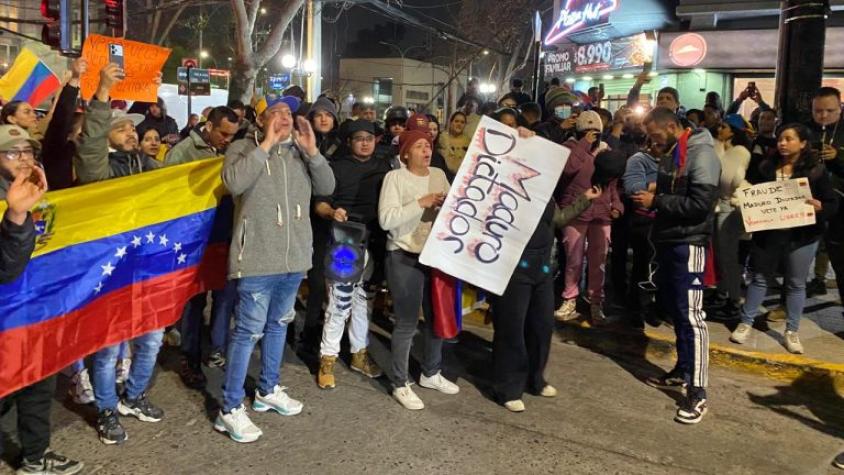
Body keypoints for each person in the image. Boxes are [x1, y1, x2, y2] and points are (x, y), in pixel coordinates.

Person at [215, 94, 334, 443]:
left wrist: (312, 151)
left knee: (279, 325)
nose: (285, 117)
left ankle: (267, 389)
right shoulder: (242, 147)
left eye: (290, 112)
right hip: (256, 259)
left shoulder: (299, 153)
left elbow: (327, 188)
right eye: (277, 112)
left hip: (294, 258)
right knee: (247, 331)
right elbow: (233, 183)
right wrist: (266, 142)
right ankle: (230, 407)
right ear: (261, 118)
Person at [74, 63, 166, 445]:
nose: (133, 131)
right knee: (109, 349)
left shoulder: (144, 163)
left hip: (145, 266)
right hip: (111, 270)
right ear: (106, 136)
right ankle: (107, 408)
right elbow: (90, 142)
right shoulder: (96, 169)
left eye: (133, 127)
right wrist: (101, 93)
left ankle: (135, 395)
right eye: (123, 127)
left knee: (152, 338)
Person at [490, 127, 602, 412]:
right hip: (514, 267)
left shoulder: (544, 192)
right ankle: (507, 387)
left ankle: (534, 379)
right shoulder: (506, 185)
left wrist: (585, 199)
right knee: (511, 329)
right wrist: (519, 138)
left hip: (541, 268)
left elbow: (559, 219)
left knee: (541, 326)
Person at [0, 125, 84, 474]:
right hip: (6, 315)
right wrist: (16, 215)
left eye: (28, 151)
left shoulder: (43, 190)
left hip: (34, 309)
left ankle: (35, 457)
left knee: (38, 380)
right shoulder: (15, 201)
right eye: (12, 152)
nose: (23, 159)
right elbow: (5, 268)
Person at [631, 107, 721, 425]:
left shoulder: (701, 154)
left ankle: (698, 393)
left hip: (689, 243)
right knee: (677, 313)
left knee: (691, 317)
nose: (652, 142)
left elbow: (700, 205)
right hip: (671, 241)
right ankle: (683, 370)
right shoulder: (674, 152)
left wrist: (656, 202)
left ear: (671, 126)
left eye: (655, 135)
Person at [730, 124, 838, 354]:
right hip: (768, 234)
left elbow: (831, 203)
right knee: (759, 278)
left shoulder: (815, 171)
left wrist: (821, 207)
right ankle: (745, 322)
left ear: (803, 143)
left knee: (796, 284)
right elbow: (748, 189)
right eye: (780, 138)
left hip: (802, 237)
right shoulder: (765, 167)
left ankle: (792, 331)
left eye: (789, 139)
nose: (782, 143)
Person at [378, 128, 456, 410]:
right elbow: (387, 220)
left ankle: (431, 372)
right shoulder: (395, 178)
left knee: (437, 317)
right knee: (407, 322)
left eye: (429, 146)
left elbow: (454, 211)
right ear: (406, 152)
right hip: (403, 255)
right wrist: (420, 203)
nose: (426, 151)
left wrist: (448, 205)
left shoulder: (438, 175)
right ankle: (400, 383)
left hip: (434, 256)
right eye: (420, 146)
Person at [313, 119, 390, 390]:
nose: (365, 142)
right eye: (359, 138)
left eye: (369, 138)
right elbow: (320, 202)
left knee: (363, 302)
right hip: (344, 241)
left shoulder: (386, 166)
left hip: (376, 241)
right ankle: (328, 359)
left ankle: (359, 354)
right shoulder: (336, 167)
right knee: (339, 302)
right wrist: (332, 212)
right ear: (349, 142)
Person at [555, 110, 623, 324]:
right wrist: (583, 144)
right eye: (587, 131)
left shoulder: (605, 150)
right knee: (573, 259)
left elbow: (612, 183)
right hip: (575, 210)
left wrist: (617, 205)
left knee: (599, 260)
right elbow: (568, 170)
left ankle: (596, 302)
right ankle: (570, 299)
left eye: (596, 131)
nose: (592, 135)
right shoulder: (569, 148)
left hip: (601, 214)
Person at [300, 97, 345, 355]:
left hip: (337, 218)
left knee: (338, 280)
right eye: (319, 115)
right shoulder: (303, 144)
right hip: (311, 217)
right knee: (315, 280)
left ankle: (334, 336)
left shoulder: (342, 146)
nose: (324, 119)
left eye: (328, 114)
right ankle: (309, 334)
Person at [710, 114, 752, 319]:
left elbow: (731, 179)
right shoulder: (717, 147)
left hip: (729, 207)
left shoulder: (740, 152)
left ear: (733, 131)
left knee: (728, 257)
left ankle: (734, 300)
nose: (719, 130)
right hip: (716, 206)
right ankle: (721, 294)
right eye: (719, 126)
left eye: (724, 126)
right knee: (719, 256)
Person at [806, 87, 844, 302]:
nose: (823, 115)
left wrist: (838, 157)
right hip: (809, 203)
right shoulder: (806, 129)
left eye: (829, 110)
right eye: (818, 110)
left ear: (840, 107)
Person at [165, 106, 239, 166]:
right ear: (209, 126)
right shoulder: (180, 152)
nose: (228, 140)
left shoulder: (230, 150)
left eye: (232, 135)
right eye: (224, 134)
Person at [437, 111, 470, 175]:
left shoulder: (469, 141)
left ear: (465, 125)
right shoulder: (442, 139)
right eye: (456, 121)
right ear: (451, 122)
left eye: (462, 122)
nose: (459, 124)